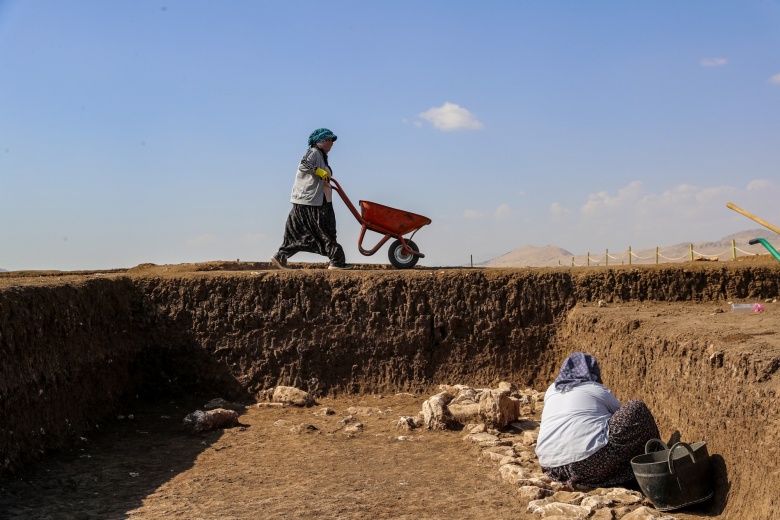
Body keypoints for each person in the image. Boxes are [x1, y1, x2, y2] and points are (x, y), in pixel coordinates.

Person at [535, 352, 660, 488]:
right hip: (587, 466)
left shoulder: (551, 390)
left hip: (552, 469)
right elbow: (621, 417)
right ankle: (657, 460)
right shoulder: (596, 389)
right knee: (637, 408)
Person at [270, 128, 349, 270]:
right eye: (329, 140)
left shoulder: (321, 155)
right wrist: (318, 171)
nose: (332, 143)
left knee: (295, 231)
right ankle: (336, 261)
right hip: (314, 201)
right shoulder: (314, 152)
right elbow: (304, 164)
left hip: (305, 199)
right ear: (320, 141)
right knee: (324, 230)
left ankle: (281, 256)